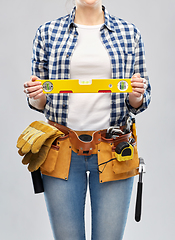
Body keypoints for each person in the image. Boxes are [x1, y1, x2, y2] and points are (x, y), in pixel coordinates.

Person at [23, 0, 151, 239]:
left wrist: (136, 95)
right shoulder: (47, 33)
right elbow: (39, 102)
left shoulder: (129, 33)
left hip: (114, 150)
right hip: (61, 149)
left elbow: (141, 100)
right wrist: (37, 95)